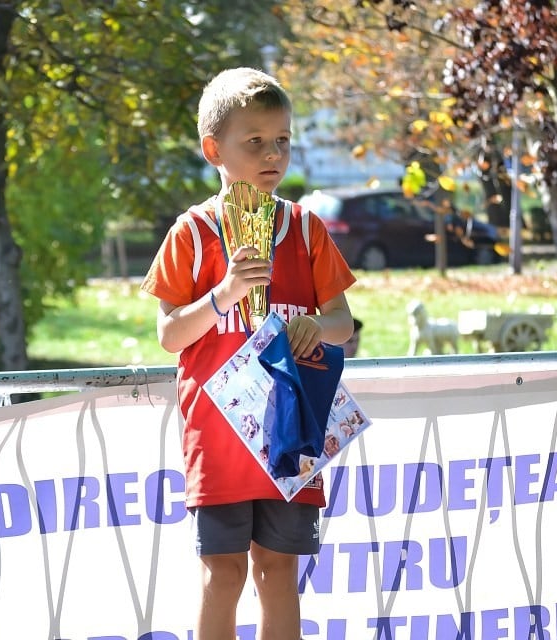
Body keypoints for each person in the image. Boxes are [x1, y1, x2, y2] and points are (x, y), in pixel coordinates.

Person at [140, 67, 356, 640]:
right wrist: (225, 293)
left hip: (292, 428)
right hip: (218, 433)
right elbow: (169, 335)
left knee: (278, 570)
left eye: (282, 140)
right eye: (254, 141)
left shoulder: (306, 228)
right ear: (214, 148)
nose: (272, 154)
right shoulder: (191, 232)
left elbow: (343, 324)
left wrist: (316, 324)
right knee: (224, 571)